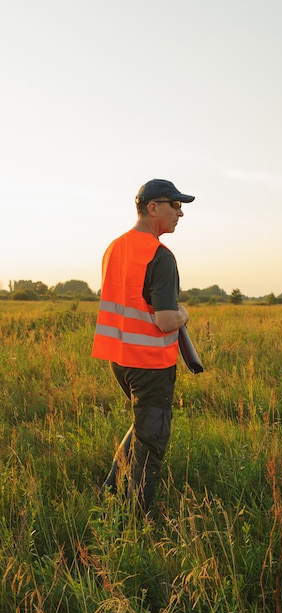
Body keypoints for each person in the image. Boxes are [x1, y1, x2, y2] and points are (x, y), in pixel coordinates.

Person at [92, 178, 195, 515]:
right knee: (151, 442)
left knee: (142, 427)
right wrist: (183, 313)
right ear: (153, 208)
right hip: (150, 363)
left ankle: (109, 491)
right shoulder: (160, 256)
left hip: (120, 360)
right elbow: (165, 320)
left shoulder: (114, 247)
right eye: (175, 205)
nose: (180, 213)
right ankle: (139, 521)